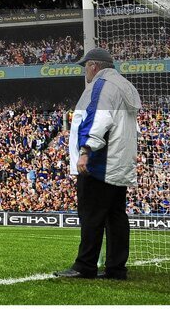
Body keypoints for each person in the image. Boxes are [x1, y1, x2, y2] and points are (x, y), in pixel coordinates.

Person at [55, 47, 140, 280]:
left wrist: (85, 151)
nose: (85, 72)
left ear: (94, 65)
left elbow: (98, 119)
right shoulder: (125, 86)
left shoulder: (102, 85)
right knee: (116, 217)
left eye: (85, 67)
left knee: (91, 216)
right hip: (119, 162)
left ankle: (85, 266)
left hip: (101, 162)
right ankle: (116, 268)